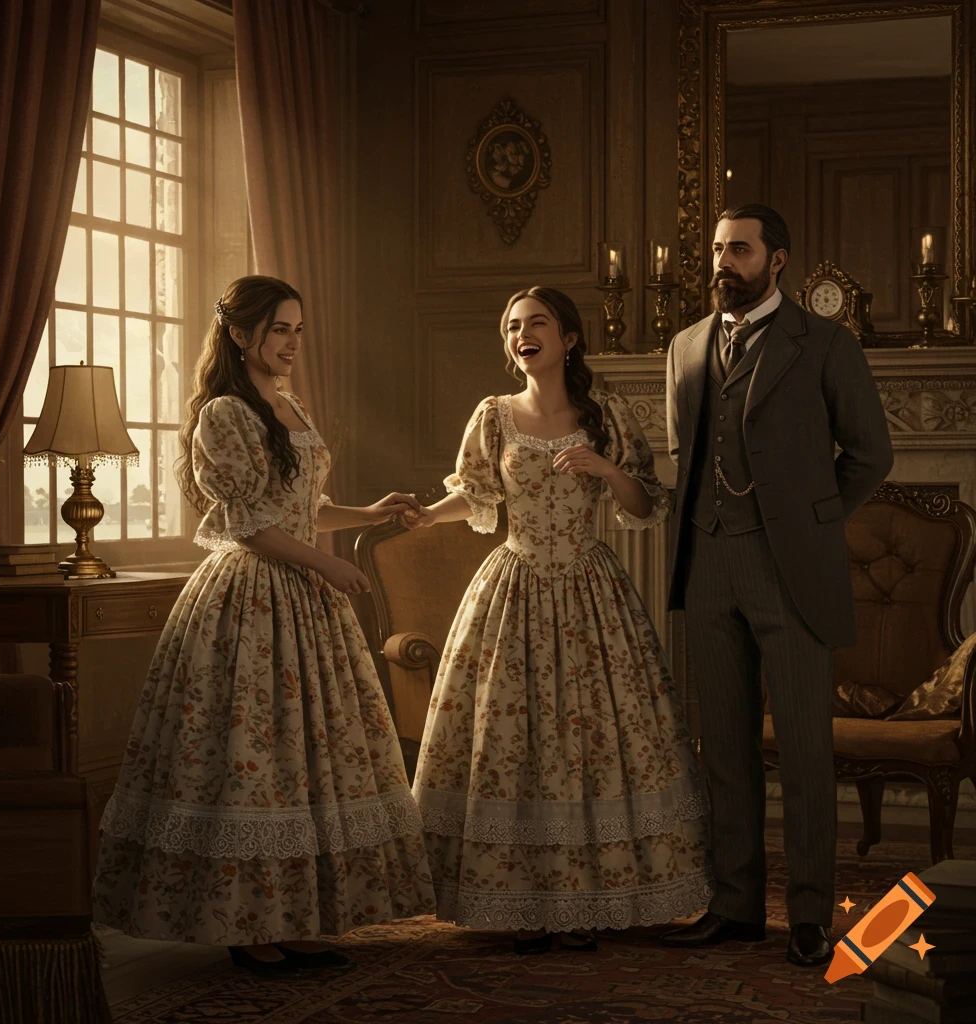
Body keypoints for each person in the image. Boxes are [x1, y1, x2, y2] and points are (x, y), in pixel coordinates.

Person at [93, 275, 435, 974]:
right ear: (241, 333)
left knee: (302, 763)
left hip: (304, 595)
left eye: (297, 331)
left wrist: (367, 515)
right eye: (280, 329)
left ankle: (294, 914)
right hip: (251, 601)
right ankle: (245, 922)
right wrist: (330, 567)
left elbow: (301, 508)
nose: (291, 344)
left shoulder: (288, 404)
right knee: (253, 760)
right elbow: (249, 526)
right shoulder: (224, 412)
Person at [404, 286, 713, 954]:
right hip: (512, 586)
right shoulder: (493, 416)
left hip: (589, 593)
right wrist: (430, 515)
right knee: (511, 742)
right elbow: (476, 496)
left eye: (536, 322)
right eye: (512, 325)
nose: (522, 333)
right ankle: (519, 899)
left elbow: (646, 500)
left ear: (569, 338)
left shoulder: (605, 413)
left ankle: (586, 899)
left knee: (592, 742)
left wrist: (602, 465)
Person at [661, 205, 893, 967]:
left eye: (741, 250)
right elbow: (682, 451)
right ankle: (733, 906)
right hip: (708, 563)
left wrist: (815, 522)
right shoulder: (686, 345)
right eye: (719, 250)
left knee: (801, 752)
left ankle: (809, 915)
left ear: (778, 260)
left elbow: (868, 454)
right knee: (721, 748)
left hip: (790, 569)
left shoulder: (827, 342)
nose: (725, 262)